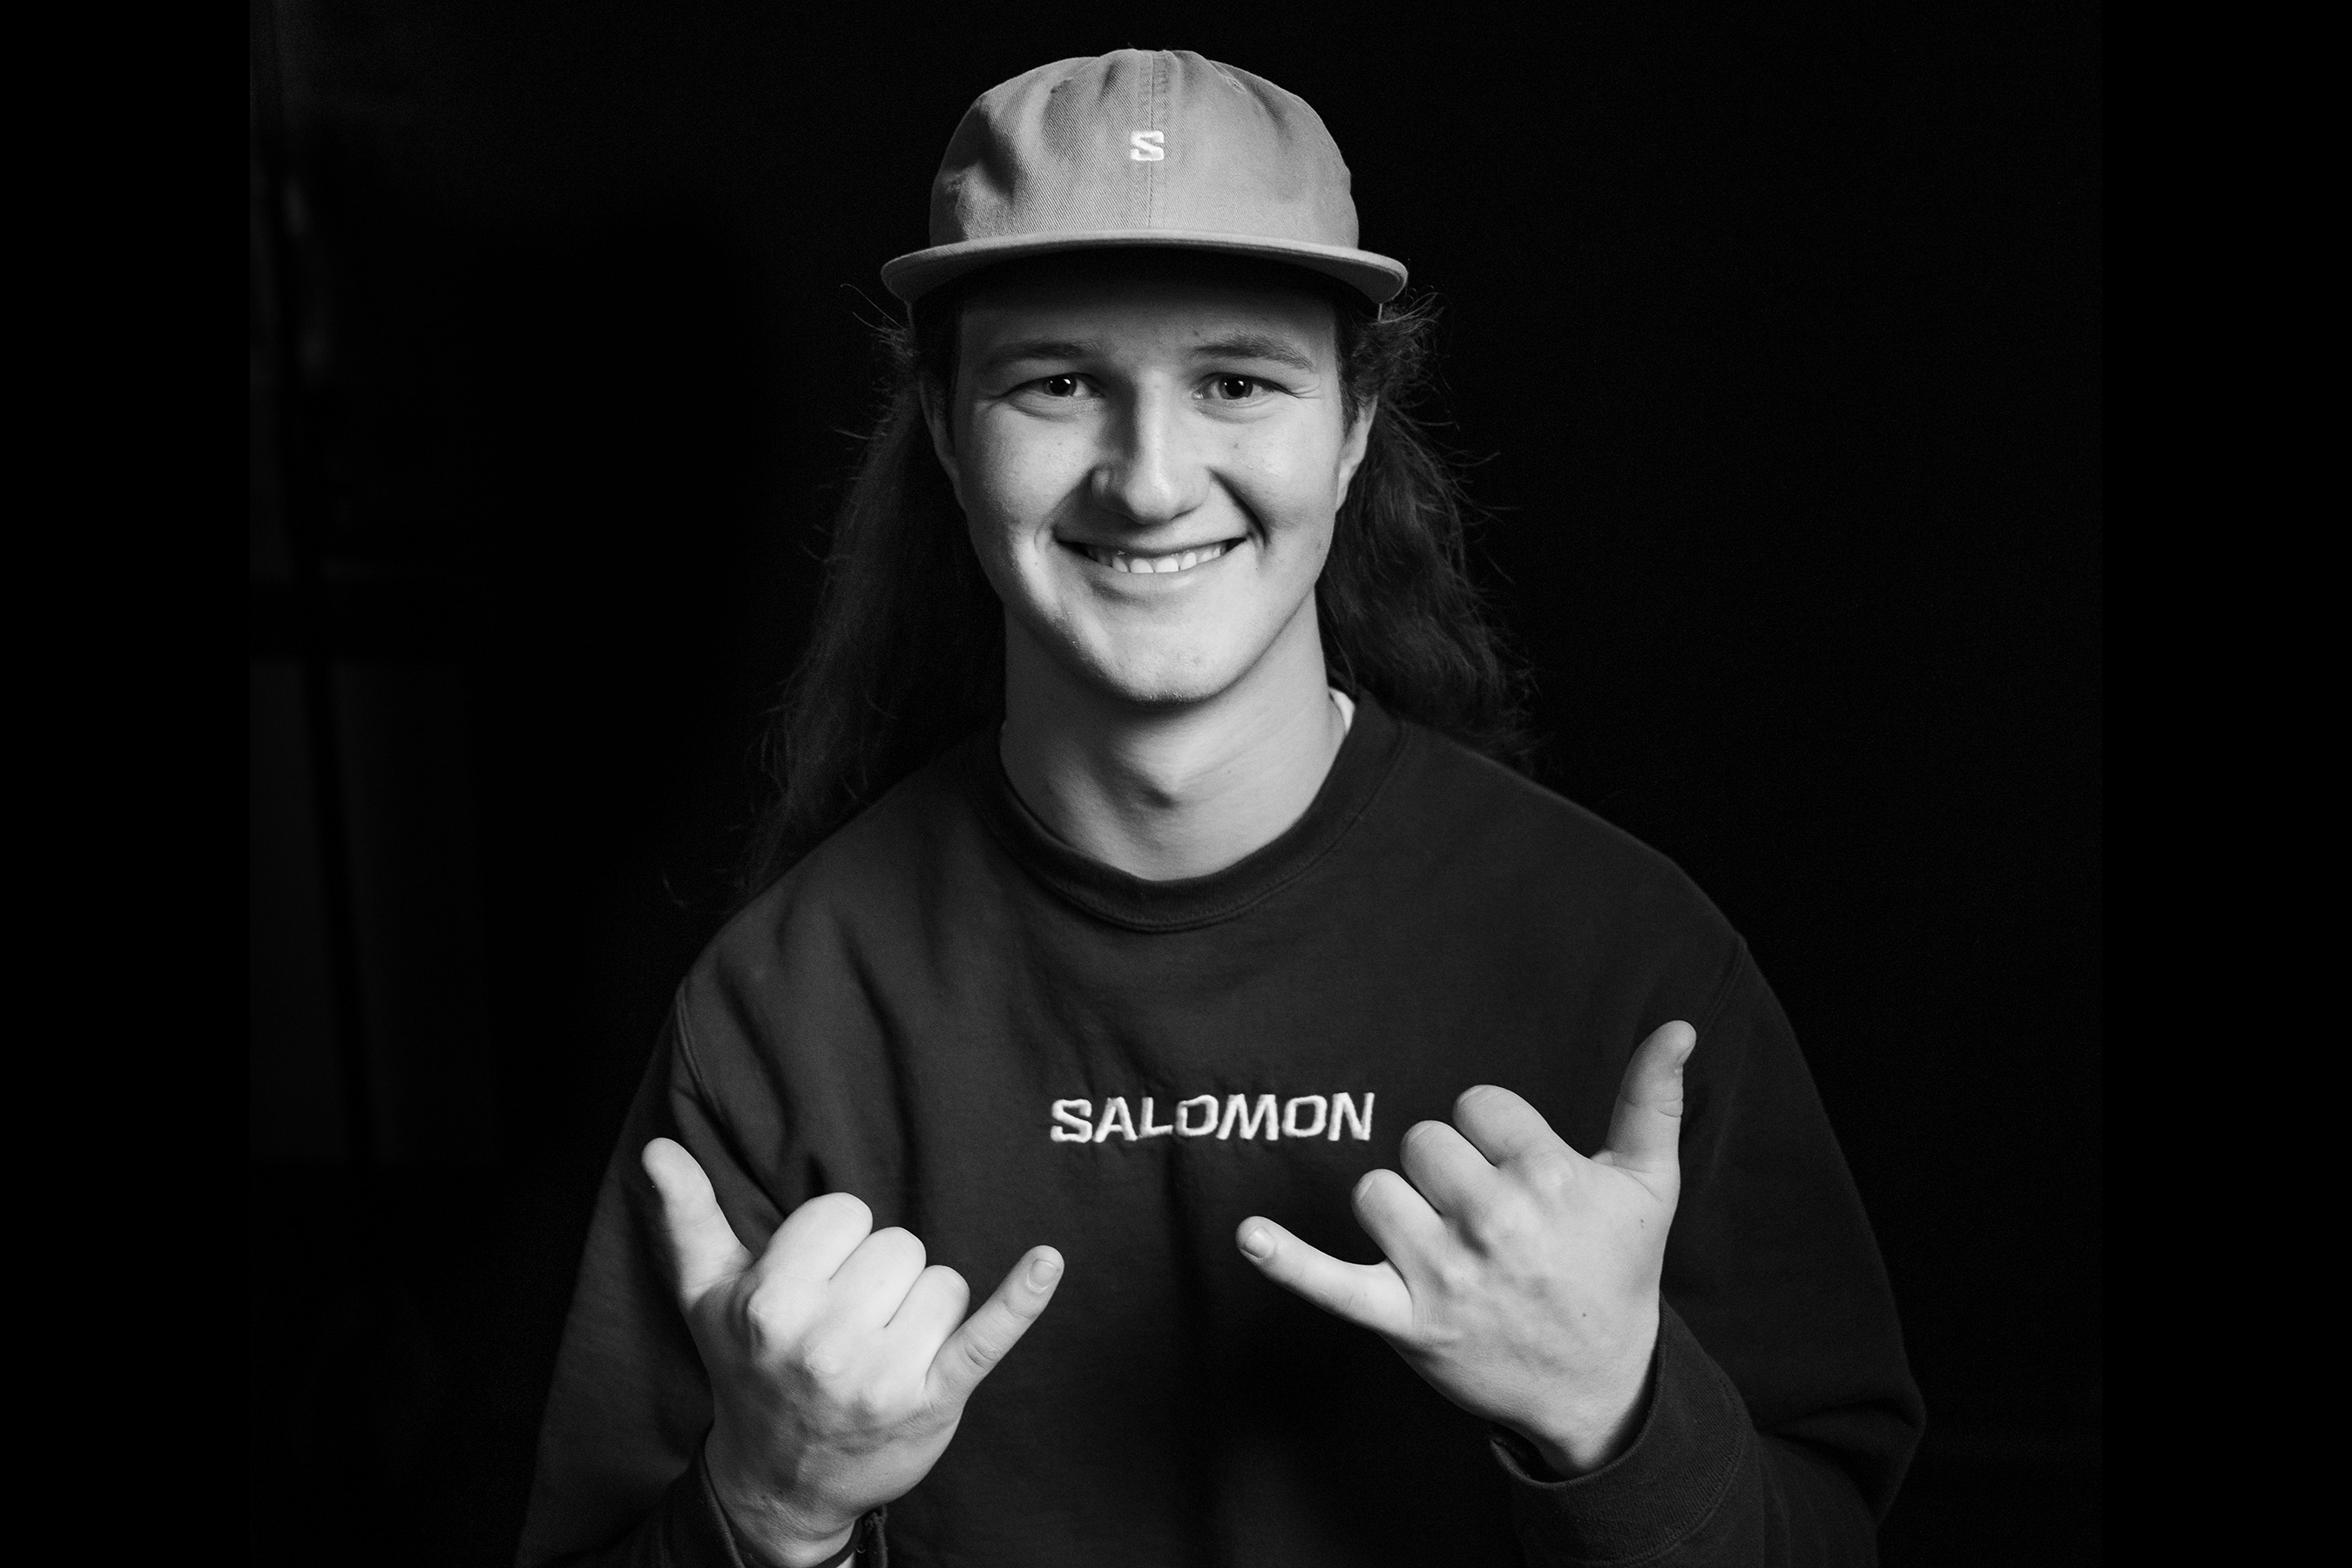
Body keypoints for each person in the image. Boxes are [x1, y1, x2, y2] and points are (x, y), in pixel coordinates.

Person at [517, 49, 1922, 1568]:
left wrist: (1617, 1414)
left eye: (1237, 382)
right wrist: (770, 1509)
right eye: (1059, 383)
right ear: (945, 426)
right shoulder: (786, 1007)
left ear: (1355, 425)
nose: (1149, 481)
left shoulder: (1627, 962)